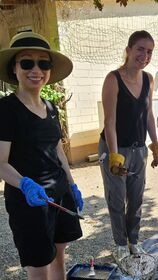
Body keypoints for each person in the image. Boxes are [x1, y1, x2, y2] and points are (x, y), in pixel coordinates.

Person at [0, 31, 84, 279]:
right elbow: (1, 162)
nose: (36, 69)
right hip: (30, 202)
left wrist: (71, 184)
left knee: (59, 257)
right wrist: (25, 184)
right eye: (27, 62)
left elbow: (57, 149)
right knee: (39, 267)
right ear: (14, 69)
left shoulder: (51, 108)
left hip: (59, 196)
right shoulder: (6, 109)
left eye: (43, 63)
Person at [98, 30, 158, 261]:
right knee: (116, 197)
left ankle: (133, 241)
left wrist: (155, 145)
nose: (145, 55)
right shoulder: (113, 79)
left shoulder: (148, 79)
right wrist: (114, 156)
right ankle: (120, 244)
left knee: (136, 198)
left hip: (138, 148)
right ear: (128, 50)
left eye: (149, 51)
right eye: (140, 49)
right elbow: (110, 121)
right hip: (114, 148)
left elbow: (148, 115)